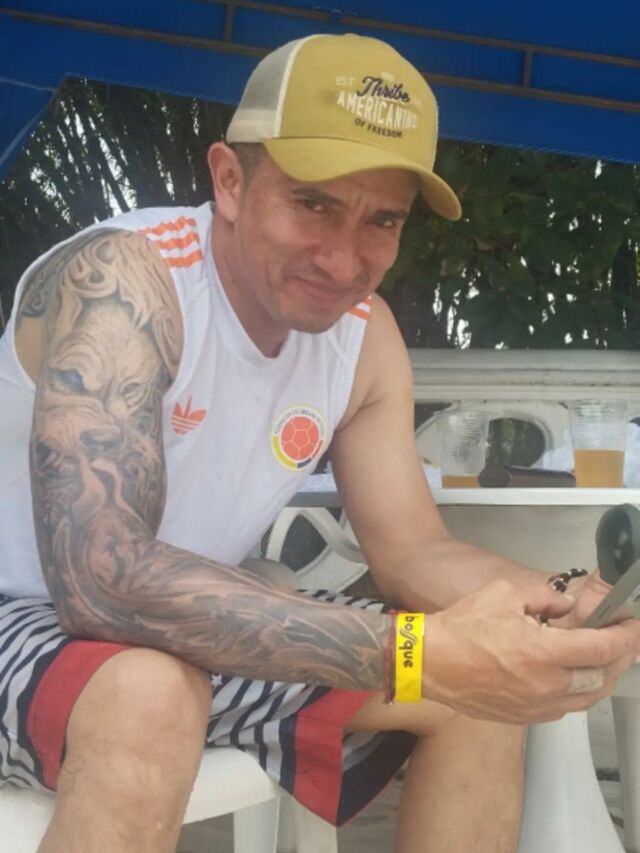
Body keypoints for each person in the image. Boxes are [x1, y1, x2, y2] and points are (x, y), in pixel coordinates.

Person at [0, 32, 638, 853]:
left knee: (471, 689)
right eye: (313, 204)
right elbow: (103, 581)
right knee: (150, 693)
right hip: (30, 612)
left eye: (382, 220)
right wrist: (418, 648)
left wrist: (557, 599)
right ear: (230, 181)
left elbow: (413, 551)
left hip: (191, 635)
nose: (343, 259)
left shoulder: (362, 339)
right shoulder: (127, 282)